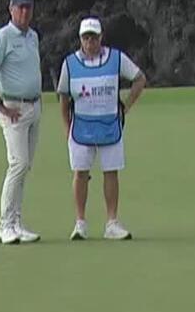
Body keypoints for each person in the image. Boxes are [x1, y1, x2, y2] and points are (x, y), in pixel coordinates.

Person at [57, 16, 148, 241]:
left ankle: (112, 223)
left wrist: (124, 108)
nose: (90, 42)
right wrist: (66, 128)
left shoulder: (116, 59)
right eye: (86, 38)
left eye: (94, 37)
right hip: (81, 128)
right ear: (80, 39)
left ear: (101, 37)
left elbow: (139, 79)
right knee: (80, 173)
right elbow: (64, 98)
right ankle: (80, 223)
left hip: (109, 125)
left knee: (111, 172)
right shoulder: (69, 64)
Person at [0, 0, 44, 245]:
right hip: (13, 109)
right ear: (11, 9)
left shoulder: (33, 37)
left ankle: (17, 222)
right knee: (17, 164)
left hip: (34, 107)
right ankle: (5, 225)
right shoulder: (3, 37)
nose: (25, 12)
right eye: (20, 8)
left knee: (24, 166)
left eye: (28, 7)